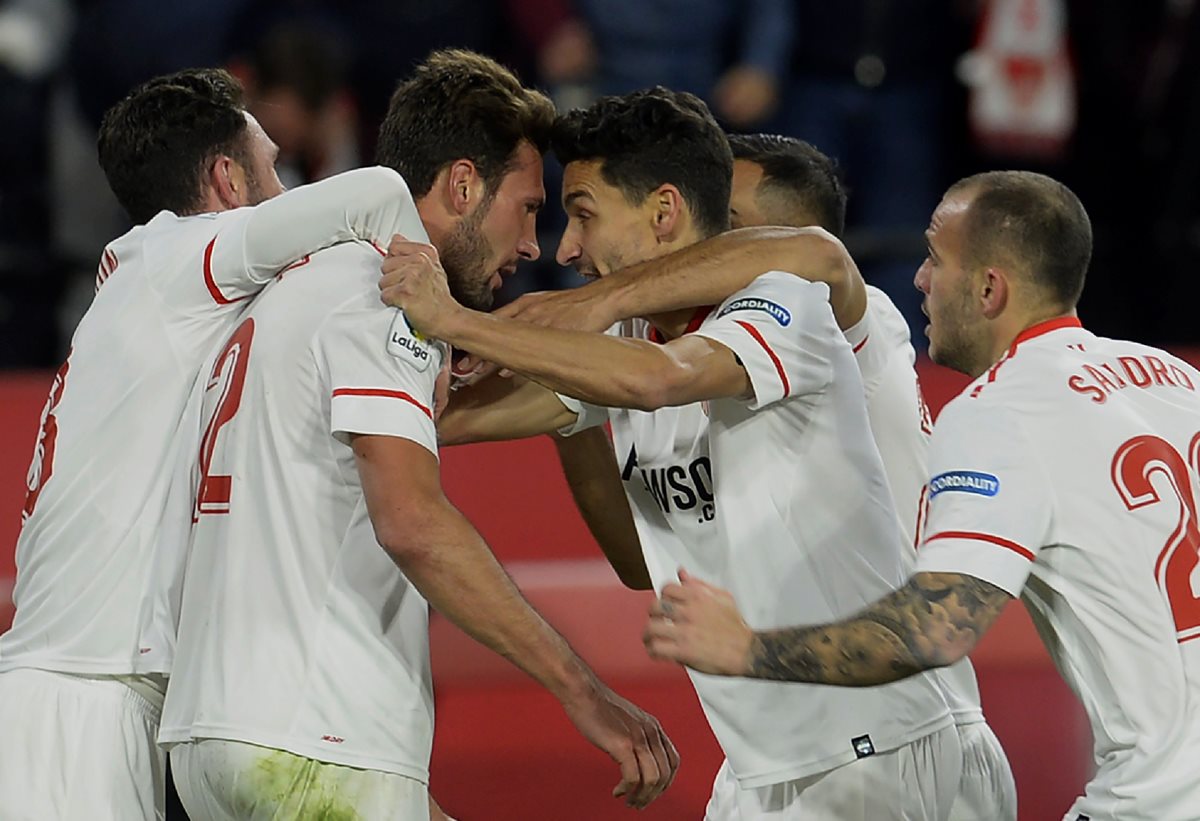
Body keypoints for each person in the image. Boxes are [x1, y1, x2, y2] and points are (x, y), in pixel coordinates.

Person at [383, 87, 960, 819]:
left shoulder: (788, 306)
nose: (563, 249)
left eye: (583, 215)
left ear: (662, 212)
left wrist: (464, 319)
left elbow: (662, 381)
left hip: (872, 747)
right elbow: (470, 418)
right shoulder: (633, 342)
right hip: (763, 768)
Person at [158, 50, 677, 821]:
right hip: (313, 741)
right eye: (528, 207)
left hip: (219, 737)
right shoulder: (384, 291)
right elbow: (413, 522)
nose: (535, 244)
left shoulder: (294, 288)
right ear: (463, 185)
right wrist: (585, 690)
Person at [642, 170, 1200, 820]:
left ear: (990, 288)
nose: (920, 279)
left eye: (936, 258)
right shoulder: (1178, 379)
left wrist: (746, 647)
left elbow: (933, 629)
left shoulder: (1001, 411)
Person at [0, 67, 443, 820]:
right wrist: (436, 323)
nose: (283, 187)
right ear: (225, 178)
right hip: (79, 706)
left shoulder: (140, 284)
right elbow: (376, 193)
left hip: (79, 696)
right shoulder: (181, 253)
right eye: (271, 167)